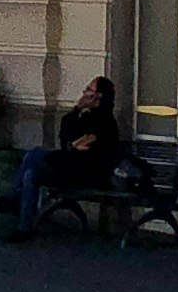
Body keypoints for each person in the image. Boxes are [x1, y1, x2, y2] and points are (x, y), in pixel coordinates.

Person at [13, 74, 128, 240]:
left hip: (86, 175)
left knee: (33, 172)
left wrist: (73, 146)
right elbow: (66, 139)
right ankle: (16, 202)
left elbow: (78, 147)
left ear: (98, 96)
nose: (84, 92)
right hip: (72, 167)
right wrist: (77, 110)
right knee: (34, 154)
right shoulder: (87, 115)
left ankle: (21, 221)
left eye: (89, 90)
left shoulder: (104, 121)